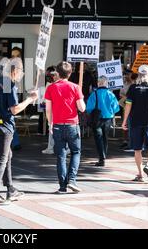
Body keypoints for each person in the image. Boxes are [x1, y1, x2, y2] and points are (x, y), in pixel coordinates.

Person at [0, 57, 38, 205]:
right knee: (3, 158)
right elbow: (14, 109)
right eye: (22, 72)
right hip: (4, 125)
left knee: (8, 155)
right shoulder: (10, 84)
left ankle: (10, 189)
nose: (21, 75)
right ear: (15, 71)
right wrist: (29, 100)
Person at [45, 61, 86, 194]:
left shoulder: (50, 88)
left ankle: (62, 186)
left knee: (61, 156)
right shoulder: (75, 87)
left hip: (57, 125)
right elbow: (82, 108)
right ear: (70, 73)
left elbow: (48, 110)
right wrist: (81, 98)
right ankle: (72, 180)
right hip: (72, 125)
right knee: (75, 152)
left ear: (57, 72)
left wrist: (50, 123)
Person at [122, 65, 148, 182]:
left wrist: (124, 121)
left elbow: (128, 106)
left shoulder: (133, 88)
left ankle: (140, 175)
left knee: (137, 149)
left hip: (135, 121)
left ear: (138, 75)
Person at [86, 76, 120, 166]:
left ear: (98, 83)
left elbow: (89, 108)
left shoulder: (94, 94)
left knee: (98, 139)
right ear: (106, 83)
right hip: (108, 118)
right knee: (105, 138)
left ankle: (102, 158)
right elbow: (116, 108)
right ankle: (103, 156)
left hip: (97, 119)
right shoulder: (111, 94)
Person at [41, 66, 59, 154]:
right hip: (57, 109)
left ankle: (51, 147)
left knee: (52, 127)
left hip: (53, 109)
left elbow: (46, 100)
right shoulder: (60, 84)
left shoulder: (49, 85)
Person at [118, 69, 135, 149]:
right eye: (125, 75)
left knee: (131, 124)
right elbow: (120, 94)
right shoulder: (123, 84)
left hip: (133, 107)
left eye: (128, 75)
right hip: (125, 105)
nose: (126, 76)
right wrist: (124, 97)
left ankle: (132, 141)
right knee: (125, 124)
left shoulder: (135, 84)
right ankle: (125, 141)